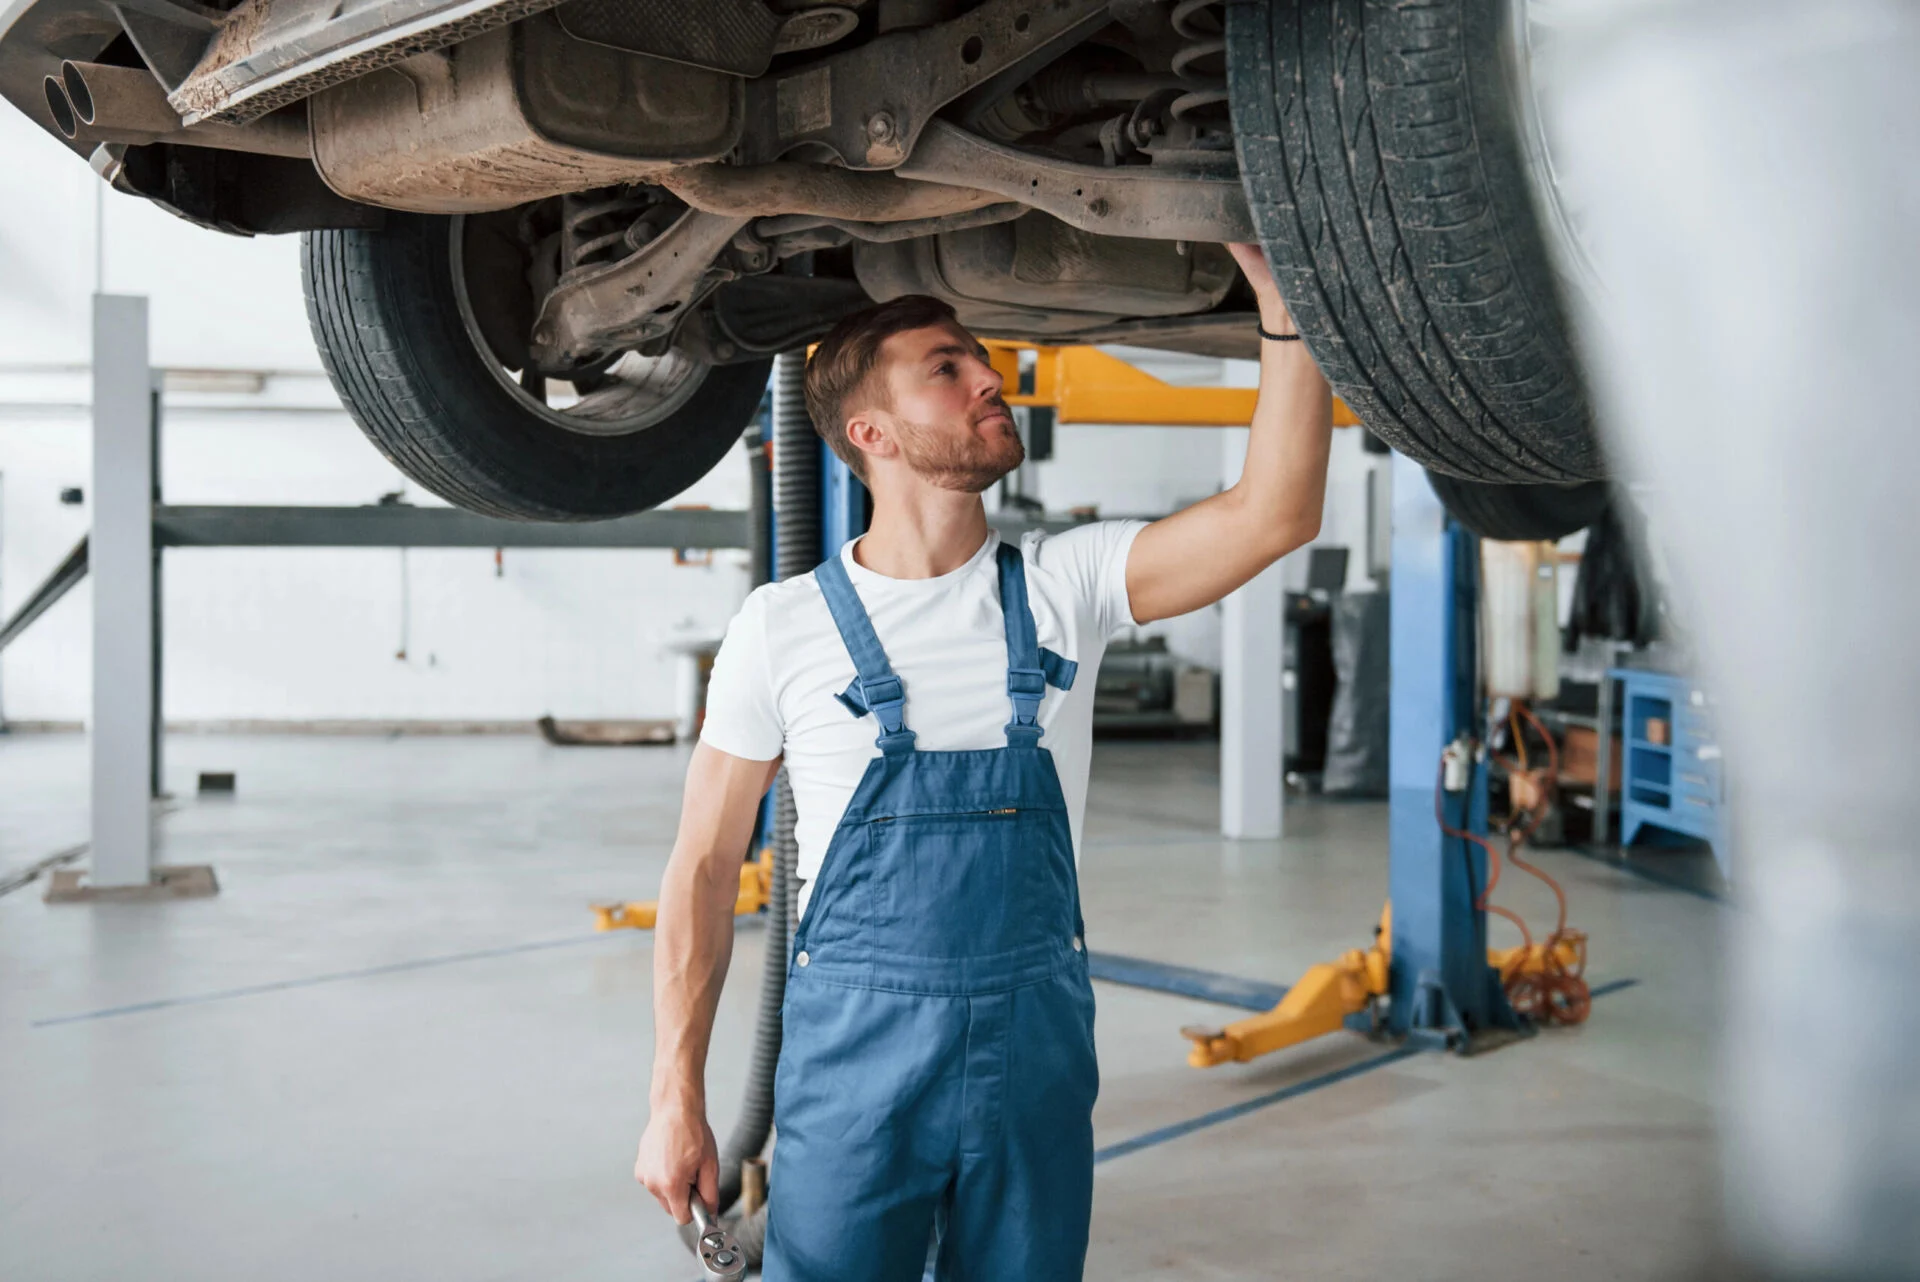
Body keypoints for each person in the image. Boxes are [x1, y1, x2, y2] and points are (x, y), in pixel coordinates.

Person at [635, 243, 1333, 1281]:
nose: (988, 378)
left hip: (1033, 1050)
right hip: (854, 1063)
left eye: (979, 359)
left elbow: (1277, 513)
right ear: (870, 433)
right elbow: (699, 866)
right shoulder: (781, 630)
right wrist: (675, 1096)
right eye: (947, 369)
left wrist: (1289, 307)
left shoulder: (1069, 583)